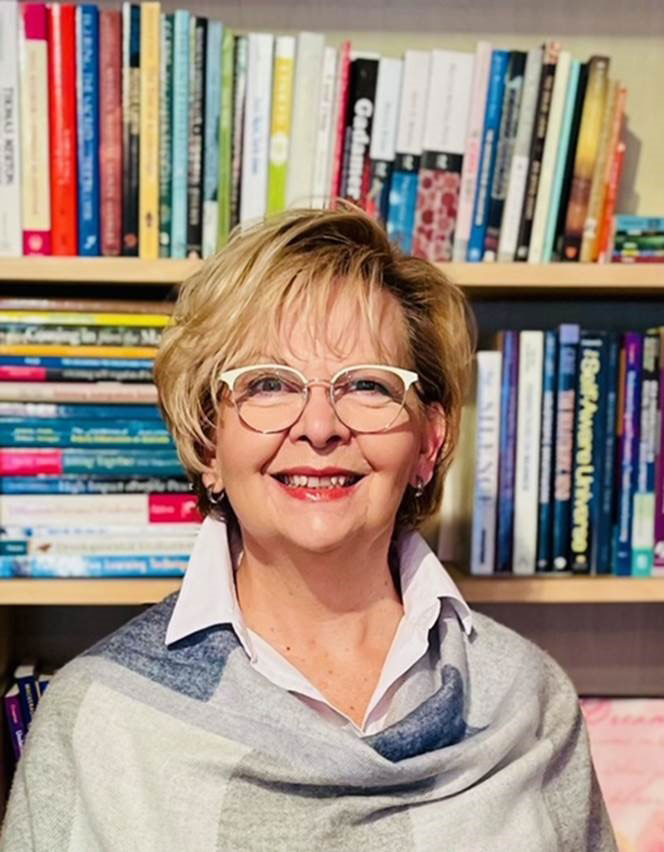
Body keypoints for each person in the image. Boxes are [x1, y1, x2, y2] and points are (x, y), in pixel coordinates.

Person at [1, 206, 616, 851]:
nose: (319, 426)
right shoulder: (99, 718)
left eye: (369, 386)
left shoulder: (529, 700)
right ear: (209, 443)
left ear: (429, 442)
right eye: (268, 384)